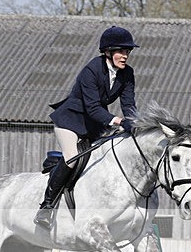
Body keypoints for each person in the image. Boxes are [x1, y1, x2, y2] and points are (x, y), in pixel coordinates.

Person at [34, 26, 139, 229]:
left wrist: (135, 123)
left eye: (128, 52)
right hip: (70, 121)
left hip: (94, 125)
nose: (125, 56)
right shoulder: (91, 70)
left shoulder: (128, 74)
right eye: (121, 51)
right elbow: (92, 108)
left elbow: (129, 105)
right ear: (108, 52)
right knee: (72, 157)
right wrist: (118, 121)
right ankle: (46, 207)